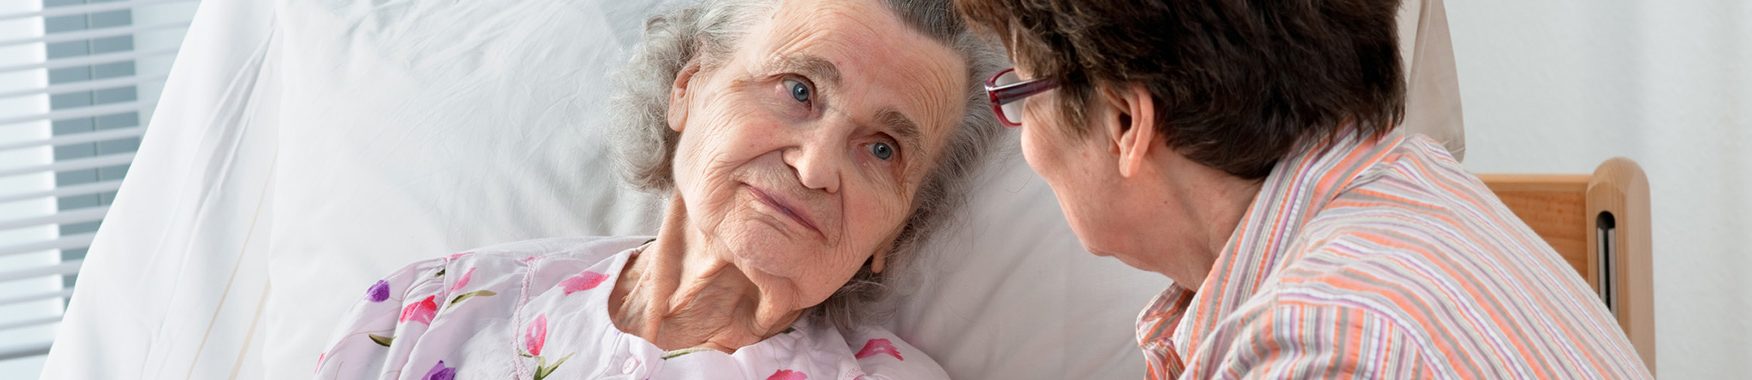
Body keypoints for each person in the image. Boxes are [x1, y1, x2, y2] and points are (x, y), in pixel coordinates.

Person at [954, 0, 1652, 378]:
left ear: (1126, 120)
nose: (1027, 140)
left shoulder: (1323, 338)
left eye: (1018, 91)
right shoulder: (1413, 183)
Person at [311, 0, 1005, 378]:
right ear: (688, 89)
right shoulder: (431, 308)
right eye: (798, 89)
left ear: (897, 232)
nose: (817, 166)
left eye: (881, 149)